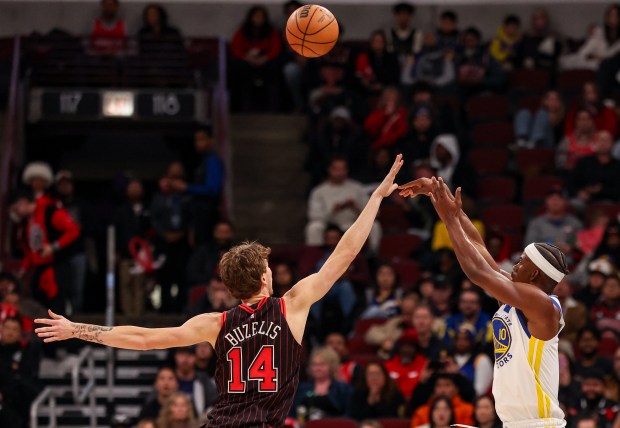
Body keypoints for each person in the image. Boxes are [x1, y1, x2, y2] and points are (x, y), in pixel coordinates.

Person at [34, 156, 404, 428]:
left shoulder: (215, 323)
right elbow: (345, 253)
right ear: (263, 278)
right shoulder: (294, 305)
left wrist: (78, 329)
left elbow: (143, 339)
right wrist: (375, 198)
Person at [400, 176, 569, 427]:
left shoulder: (542, 305)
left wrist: (449, 219)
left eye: (522, 261)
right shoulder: (517, 297)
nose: (514, 264)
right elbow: (479, 248)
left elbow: (478, 272)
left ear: (535, 274)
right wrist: (442, 197)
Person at [11, 193, 80, 315]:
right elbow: (29, 252)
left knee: (57, 305)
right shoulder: (25, 223)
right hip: (39, 269)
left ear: (23, 202)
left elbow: (73, 230)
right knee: (40, 305)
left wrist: (53, 247)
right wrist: (22, 271)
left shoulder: (48, 210)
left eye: (16, 209)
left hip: (55, 265)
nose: (16, 213)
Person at [305, 156, 382, 253]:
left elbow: (374, 213)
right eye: (337, 169)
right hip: (327, 223)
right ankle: (314, 256)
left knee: (375, 225)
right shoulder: (319, 191)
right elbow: (314, 216)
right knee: (313, 227)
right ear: (329, 170)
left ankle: (372, 255)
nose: (340, 173)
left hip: (350, 223)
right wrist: (334, 209)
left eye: (343, 169)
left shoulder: (357, 188)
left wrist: (355, 207)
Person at [170, 126, 224, 246]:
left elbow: (213, 189)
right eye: (196, 140)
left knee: (205, 248)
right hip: (200, 214)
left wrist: (186, 187)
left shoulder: (212, 161)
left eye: (202, 139)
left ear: (211, 140)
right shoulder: (203, 161)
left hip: (208, 215)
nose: (198, 143)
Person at [151, 162, 193, 313]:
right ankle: (165, 309)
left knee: (182, 276)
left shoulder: (187, 195)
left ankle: (181, 308)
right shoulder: (160, 196)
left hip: (182, 242)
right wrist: (164, 233)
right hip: (164, 242)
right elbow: (154, 218)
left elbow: (192, 216)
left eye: (178, 175)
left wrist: (182, 233)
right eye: (172, 175)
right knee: (164, 277)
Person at [230, 5, 282, 112]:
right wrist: (247, 58)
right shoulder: (242, 31)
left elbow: (276, 49)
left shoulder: (271, 32)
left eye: (261, 17)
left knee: (273, 70)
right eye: (256, 16)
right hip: (247, 62)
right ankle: (244, 108)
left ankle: (272, 109)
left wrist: (264, 58)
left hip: (266, 62)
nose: (259, 19)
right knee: (240, 70)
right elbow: (236, 48)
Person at [114, 179, 150, 316]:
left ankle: (138, 316)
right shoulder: (121, 211)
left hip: (142, 256)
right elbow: (116, 233)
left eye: (137, 187)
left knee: (139, 286)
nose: (134, 190)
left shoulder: (147, 210)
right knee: (125, 285)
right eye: (132, 187)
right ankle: (128, 316)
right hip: (125, 255)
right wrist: (116, 252)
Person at [53, 170, 88, 315]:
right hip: (58, 253)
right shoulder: (53, 205)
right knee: (60, 287)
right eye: (61, 184)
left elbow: (88, 225)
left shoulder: (81, 204)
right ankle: (62, 316)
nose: (64, 187)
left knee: (77, 287)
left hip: (77, 251)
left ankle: (76, 317)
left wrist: (79, 228)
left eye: (67, 184)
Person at [291, 347, 352, 420]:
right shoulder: (301, 388)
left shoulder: (343, 389)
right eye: (314, 365)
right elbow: (293, 414)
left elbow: (348, 415)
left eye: (322, 365)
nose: (317, 368)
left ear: (332, 366)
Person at [524, 186, 583, 256]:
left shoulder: (575, 223)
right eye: (551, 198)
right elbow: (529, 245)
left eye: (559, 198)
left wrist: (571, 247)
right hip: (542, 259)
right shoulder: (536, 223)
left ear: (566, 202)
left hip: (567, 259)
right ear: (546, 201)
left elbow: (582, 243)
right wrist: (548, 248)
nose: (555, 201)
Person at [571, 130, 620, 204]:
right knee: (575, 204)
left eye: (606, 140)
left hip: (608, 201)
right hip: (585, 199)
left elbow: (618, 190)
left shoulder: (617, 166)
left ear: (612, 144)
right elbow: (572, 182)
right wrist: (579, 192)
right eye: (601, 140)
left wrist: (601, 190)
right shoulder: (584, 162)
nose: (603, 143)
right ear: (595, 143)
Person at [411, 373, 475, 427]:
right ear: (433, 389)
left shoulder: (468, 410)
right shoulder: (421, 412)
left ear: (456, 389)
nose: (443, 390)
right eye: (439, 385)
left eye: (447, 385)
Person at [172, 346, 217, 416]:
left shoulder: (203, 380)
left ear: (196, 357)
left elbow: (215, 402)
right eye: (182, 354)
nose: (185, 359)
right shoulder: (168, 378)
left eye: (189, 355)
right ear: (175, 356)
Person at [355, 30, 401, 97]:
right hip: (367, 89)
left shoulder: (392, 58)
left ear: (384, 43)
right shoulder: (365, 57)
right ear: (371, 43)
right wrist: (365, 83)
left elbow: (395, 77)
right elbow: (359, 75)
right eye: (375, 41)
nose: (377, 44)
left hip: (386, 88)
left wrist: (382, 85)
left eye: (380, 41)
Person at [384, 330, 427, 399]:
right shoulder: (388, 366)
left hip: (416, 401)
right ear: (399, 348)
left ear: (415, 349)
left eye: (410, 347)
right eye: (404, 347)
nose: (406, 350)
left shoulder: (424, 365)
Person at [363, 87, 409, 151]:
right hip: (377, 147)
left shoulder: (402, 115)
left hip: (395, 146)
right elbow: (370, 129)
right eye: (388, 98)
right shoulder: (377, 114)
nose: (391, 100)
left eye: (393, 98)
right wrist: (385, 116)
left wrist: (382, 143)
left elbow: (402, 131)